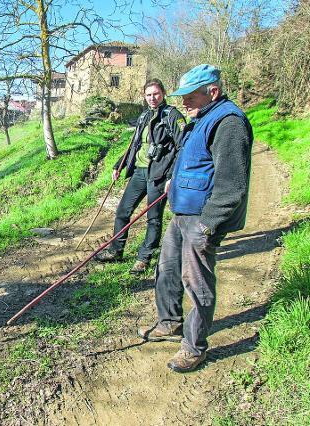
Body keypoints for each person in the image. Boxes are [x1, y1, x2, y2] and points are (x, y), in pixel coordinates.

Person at [138, 64, 253, 373]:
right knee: (167, 270)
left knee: (196, 282)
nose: (183, 103)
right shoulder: (199, 118)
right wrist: (174, 182)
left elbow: (232, 186)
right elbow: (191, 160)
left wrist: (208, 225)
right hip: (181, 213)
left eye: (189, 97)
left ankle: (194, 347)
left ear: (212, 92)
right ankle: (170, 322)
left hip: (201, 218)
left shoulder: (229, 123)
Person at [96, 78, 185, 274]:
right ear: (144, 96)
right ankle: (116, 250)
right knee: (122, 211)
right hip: (139, 171)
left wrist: (172, 176)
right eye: (148, 95)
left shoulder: (173, 116)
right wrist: (119, 164)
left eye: (156, 94)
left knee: (153, 218)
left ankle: (144, 258)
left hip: (159, 174)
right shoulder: (144, 116)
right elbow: (134, 145)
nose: (152, 98)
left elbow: (182, 148)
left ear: (163, 93)